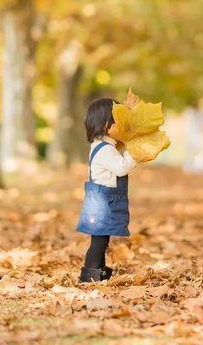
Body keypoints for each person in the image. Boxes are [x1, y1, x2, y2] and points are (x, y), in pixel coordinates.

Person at [76, 98, 136, 283]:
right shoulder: (104, 150)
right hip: (103, 203)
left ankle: (99, 271)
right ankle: (90, 274)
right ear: (106, 125)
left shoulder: (103, 146)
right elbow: (121, 168)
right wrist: (135, 151)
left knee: (101, 240)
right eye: (117, 121)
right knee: (99, 242)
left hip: (103, 200)